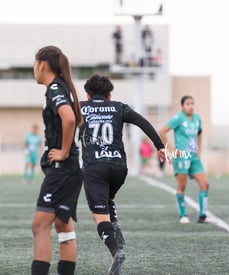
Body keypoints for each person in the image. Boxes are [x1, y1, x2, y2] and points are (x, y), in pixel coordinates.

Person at [79, 74, 168, 275]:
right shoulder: (118, 106)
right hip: (119, 167)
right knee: (107, 196)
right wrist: (159, 146)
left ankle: (115, 252)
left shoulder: (81, 107)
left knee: (99, 215)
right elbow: (142, 122)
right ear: (109, 95)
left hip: (95, 166)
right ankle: (115, 221)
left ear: (87, 94)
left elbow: (65, 122)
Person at [31, 45, 83, 275]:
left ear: (42, 64)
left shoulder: (55, 88)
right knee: (63, 226)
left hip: (63, 168)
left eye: (34, 63)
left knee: (40, 225)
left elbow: (70, 119)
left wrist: (62, 151)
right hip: (71, 169)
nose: (34, 68)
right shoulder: (63, 87)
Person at [159, 95, 212, 224]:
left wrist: (199, 150)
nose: (191, 106)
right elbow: (162, 131)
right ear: (183, 106)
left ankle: (202, 215)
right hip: (181, 156)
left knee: (205, 184)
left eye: (192, 103)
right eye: (188, 104)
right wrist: (170, 149)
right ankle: (183, 215)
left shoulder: (197, 119)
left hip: (193, 157)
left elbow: (199, 133)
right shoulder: (178, 118)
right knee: (182, 186)